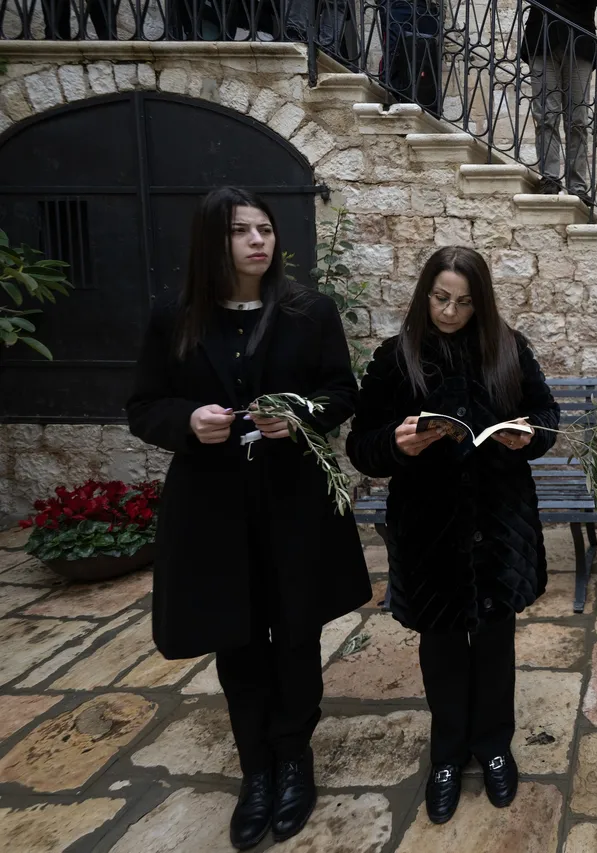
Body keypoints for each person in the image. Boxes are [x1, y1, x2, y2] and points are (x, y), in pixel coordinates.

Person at [127, 188, 371, 849]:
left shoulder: (307, 310)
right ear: (214, 240)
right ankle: (256, 767)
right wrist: (187, 421)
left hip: (292, 500)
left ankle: (294, 756)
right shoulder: (173, 316)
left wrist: (298, 416)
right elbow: (144, 404)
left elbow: (340, 391)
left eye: (265, 229)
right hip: (211, 505)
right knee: (236, 637)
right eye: (242, 231)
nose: (259, 241)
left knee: (294, 632)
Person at [345, 246, 561, 823]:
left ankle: (493, 746)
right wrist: (397, 444)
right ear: (425, 294)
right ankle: (447, 754)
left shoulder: (509, 349)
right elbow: (361, 445)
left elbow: (546, 418)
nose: (450, 311)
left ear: (481, 302)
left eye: (464, 302)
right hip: (428, 526)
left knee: (495, 643)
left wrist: (527, 436)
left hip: (498, 523)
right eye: (441, 298)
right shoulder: (397, 357)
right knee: (440, 645)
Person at [520, 0, 597, 200]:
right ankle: (550, 177)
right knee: (546, 115)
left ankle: (578, 187)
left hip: (579, 41)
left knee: (578, 120)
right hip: (541, 39)